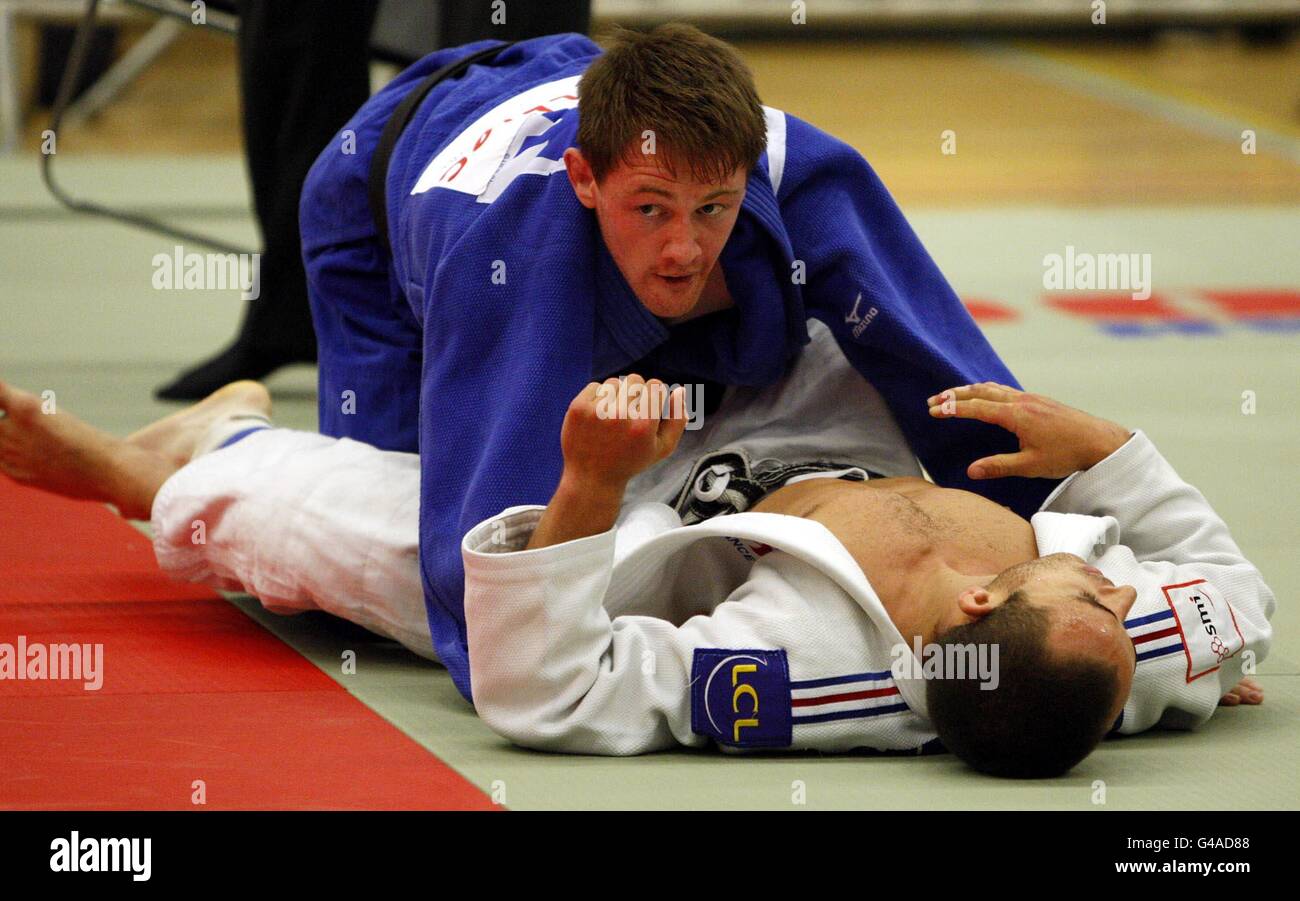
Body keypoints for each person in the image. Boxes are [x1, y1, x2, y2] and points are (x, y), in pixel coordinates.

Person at [0, 323, 1273, 777]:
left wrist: (586, 490)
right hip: (830, 416)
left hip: (675, 497)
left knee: (387, 553)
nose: (1118, 580)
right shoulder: (1124, 646)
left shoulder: (819, 677)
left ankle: (164, 466)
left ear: (981, 599)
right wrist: (1106, 445)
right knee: (797, 241)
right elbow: (1236, 596)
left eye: (1090, 585)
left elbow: (551, 690)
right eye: (1113, 594)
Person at [296, 23, 1052, 702]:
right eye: (650, 209)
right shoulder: (510, 265)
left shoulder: (810, 180)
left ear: (749, 174)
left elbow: (959, 388)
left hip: (578, 72)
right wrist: (538, 656)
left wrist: (1050, 581)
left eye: (713, 208)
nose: (684, 247)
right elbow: (487, 610)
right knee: (385, 514)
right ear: (584, 179)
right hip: (377, 174)